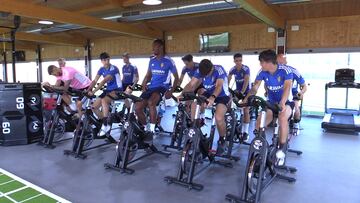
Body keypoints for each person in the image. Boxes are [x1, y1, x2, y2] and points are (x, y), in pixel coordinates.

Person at [243, 49, 293, 166]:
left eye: (261, 62)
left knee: (282, 118)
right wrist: (247, 98)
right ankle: (263, 147)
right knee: (259, 122)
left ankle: (282, 148)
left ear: (268, 62)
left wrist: (283, 102)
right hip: (271, 103)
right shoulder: (262, 72)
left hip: (286, 102)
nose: (260, 65)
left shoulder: (285, 70)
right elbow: (255, 87)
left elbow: (287, 87)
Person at [182, 59, 230, 154]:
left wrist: (212, 97)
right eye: (204, 75)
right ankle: (196, 131)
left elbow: (219, 86)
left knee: (219, 117)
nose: (206, 76)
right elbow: (191, 83)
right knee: (194, 105)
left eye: (207, 74)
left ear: (212, 68)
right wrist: (182, 94)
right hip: (208, 93)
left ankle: (222, 139)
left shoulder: (219, 69)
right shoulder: (200, 70)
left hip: (222, 95)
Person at [135, 39, 179, 141]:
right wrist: (143, 84)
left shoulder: (169, 61)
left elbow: (176, 77)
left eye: (155, 46)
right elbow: (148, 75)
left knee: (151, 103)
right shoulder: (152, 60)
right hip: (151, 87)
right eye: (153, 46)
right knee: (137, 107)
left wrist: (171, 91)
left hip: (162, 87)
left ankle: (152, 130)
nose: (153, 49)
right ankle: (147, 128)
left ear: (160, 47)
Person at [87, 52, 122, 136]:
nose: (107, 61)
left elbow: (104, 81)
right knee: (93, 107)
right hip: (108, 90)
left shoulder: (114, 69)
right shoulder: (101, 69)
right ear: (102, 61)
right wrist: (88, 89)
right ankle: (103, 122)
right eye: (105, 60)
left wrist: (94, 92)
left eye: (108, 59)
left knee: (104, 100)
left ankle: (105, 124)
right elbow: (95, 81)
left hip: (117, 90)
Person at [277, 54, 307, 131]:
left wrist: (301, 93)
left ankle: (296, 125)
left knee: (296, 109)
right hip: (279, 94)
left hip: (293, 94)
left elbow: (304, 86)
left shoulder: (293, 70)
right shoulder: (273, 71)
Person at [228, 53, 251, 141]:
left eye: (240, 60)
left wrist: (242, 92)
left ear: (242, 60)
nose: (238, 62)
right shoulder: (232, 69)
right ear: (234, 61)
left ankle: (245, 132)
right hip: (238, 91)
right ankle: (231, 121)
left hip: (246, 92)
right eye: (237, 61)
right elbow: (228, 80)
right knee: (228, 102)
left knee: (246, 110)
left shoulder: (246, 69)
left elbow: (246, 81)